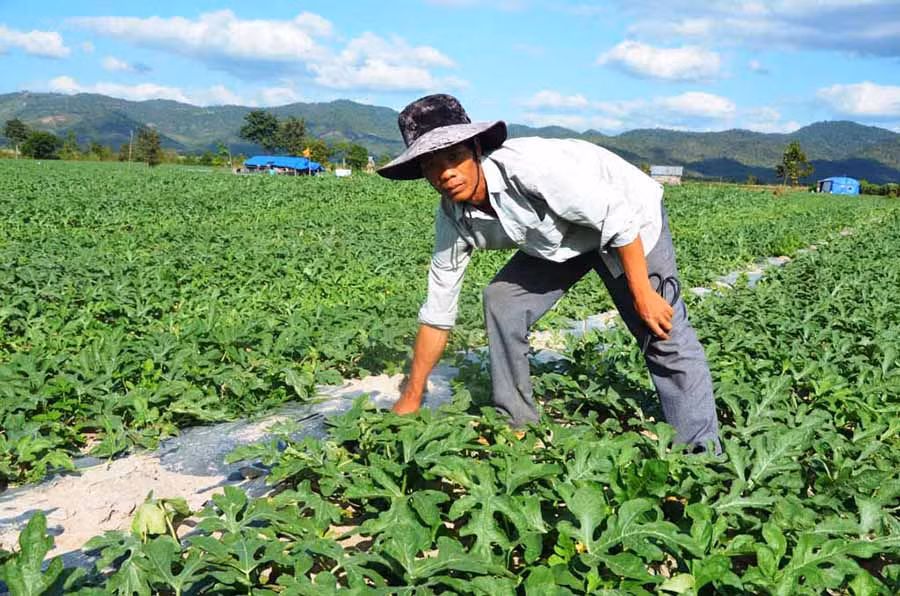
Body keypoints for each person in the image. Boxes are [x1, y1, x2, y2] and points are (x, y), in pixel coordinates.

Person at [377, 94, 720, 452]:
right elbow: (437, 313)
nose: (446, 173)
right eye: (431, 165)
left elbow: (618, 220)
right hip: (558, 238)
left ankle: (700, 454)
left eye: (453, 157)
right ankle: (517, 422)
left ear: (476, 149)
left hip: (627, 222)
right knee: (502, 301)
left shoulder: (530, 170)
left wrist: (643, 294)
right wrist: (412, 395)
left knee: (661, 331)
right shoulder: (453, 217)